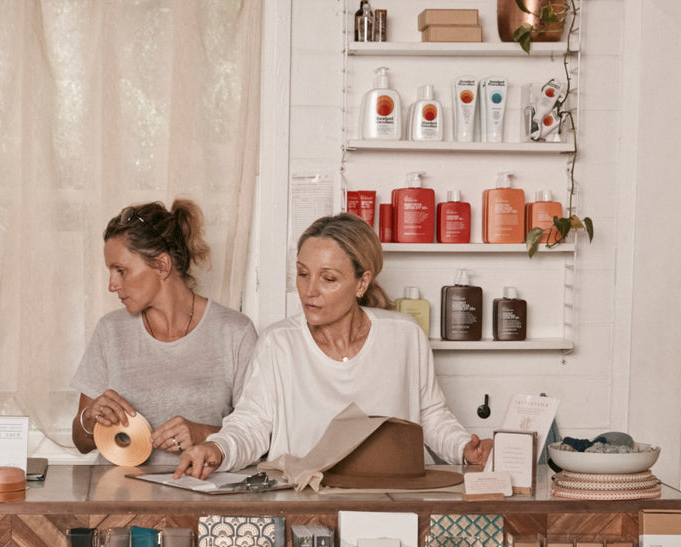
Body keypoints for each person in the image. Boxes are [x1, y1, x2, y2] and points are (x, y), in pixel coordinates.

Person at [175, 212, 493, 479]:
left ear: (362, 283)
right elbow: (252, 423)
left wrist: (465, 448)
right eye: (302, 274)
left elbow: (431, 416)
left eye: (328, 279)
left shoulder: (404, 336)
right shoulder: (280, 342)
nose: (309, 291)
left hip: (389, 501)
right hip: (303, 505)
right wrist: (218, 448)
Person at [71, 199, 257, 465]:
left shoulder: (235, 332)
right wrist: (89, 419)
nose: (112, 285)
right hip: (121, 500)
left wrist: (202, 433)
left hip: (204, 501)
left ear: (162, 265)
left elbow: (258, 438)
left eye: (121, 271)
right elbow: (81, 442)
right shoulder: (110, 331)